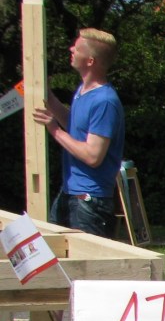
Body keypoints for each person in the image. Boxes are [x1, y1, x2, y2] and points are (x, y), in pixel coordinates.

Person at [32, 28, 125, 238]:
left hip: (89, 199)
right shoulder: (83, 92)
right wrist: (48, 96)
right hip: (71, 192)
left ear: (90, 60)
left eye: (77, 47)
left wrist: (54, 130)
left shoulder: (105, 101)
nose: (71, 48)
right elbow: (74, 127)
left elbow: (93, 156)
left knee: (89, 266)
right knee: (53, 255)